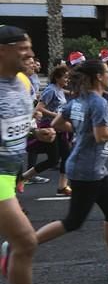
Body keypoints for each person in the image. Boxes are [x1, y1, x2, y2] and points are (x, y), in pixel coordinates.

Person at [0, 25, 73, 284]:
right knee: (26, 243)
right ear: (2, 50)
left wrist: (36, 133)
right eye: (22, 48)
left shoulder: (24, 84)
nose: (31, 54)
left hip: (8, 176)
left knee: (24, 243)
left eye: (30, 48)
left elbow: (20, 120)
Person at [33, 59, 108, 279]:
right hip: (86, 170)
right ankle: (22, 245)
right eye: (107, 72)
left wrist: (81, 130)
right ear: (99, 76)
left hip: (93, 168)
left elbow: (57, 124)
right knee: (73, 221)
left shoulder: (79, 100)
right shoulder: (97, 103)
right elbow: (101, 136)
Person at [20, 65, 72, 195]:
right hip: (49, 128)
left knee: (66, 156)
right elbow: (39, 108)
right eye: (65, 77)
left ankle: (62, 186)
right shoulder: (51, 90)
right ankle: (24, 177)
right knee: (53, 160)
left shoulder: (60, 90)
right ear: (57, 77)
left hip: (59, 128)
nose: (67, 80)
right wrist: (57, 116)